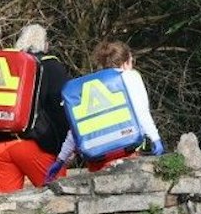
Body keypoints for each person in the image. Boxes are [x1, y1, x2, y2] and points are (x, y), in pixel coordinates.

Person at [0, 24, 75, 193]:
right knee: (58, 199)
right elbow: (61, 110)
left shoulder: (4, 65)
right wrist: (66, 149)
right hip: (35, 145)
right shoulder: (51, 67)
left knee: (2, 206)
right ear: (45, 45)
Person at [54, 40, 163, 174]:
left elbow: (76, 129)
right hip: (126, 152)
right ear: (126, 62)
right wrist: (155, 138)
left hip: (96, 159)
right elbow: (142, 113)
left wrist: (61, 159)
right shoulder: (129, 77)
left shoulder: (84, 87)